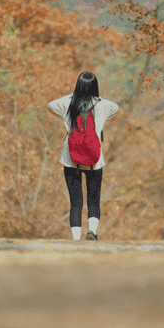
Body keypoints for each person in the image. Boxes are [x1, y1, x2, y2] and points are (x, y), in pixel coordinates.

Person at [47, 72, 119, 241]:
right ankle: (92, 232)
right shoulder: (102, 105)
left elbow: (51, 105)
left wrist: (73, 96)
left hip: (70, 158)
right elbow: (115, 107)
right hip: (95, 159)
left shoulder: (68, 103)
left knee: (76, 201)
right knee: (94, 199)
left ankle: (76, 240)